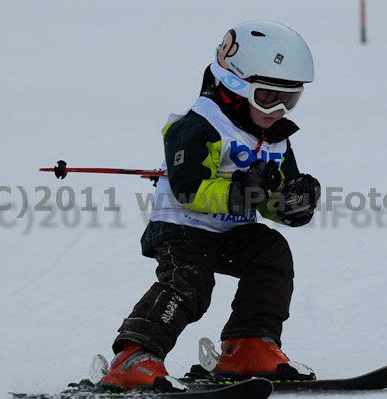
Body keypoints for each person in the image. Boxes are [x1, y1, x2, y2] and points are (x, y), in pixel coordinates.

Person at [100, 20, 321, 391]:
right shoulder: (201, 124)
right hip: (182, 228)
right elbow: (189, 188)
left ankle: (248, 346)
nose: (279, 109)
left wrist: (291, 204)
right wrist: (239, 191)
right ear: (235, 84)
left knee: (271, 254)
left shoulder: (277, 138)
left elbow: (271, 201)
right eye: (267, 96)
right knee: (190, 282)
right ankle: (133, 356)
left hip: (231, 231)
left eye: (290, 98)